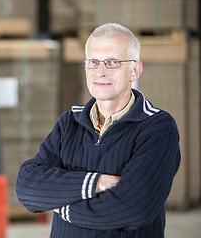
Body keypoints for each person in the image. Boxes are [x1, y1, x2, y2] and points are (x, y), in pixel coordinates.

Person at [15, 23, 181, 238]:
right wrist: (97, 183)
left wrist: (63, 206)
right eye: (93, 62)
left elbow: (135, 208)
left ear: (135, 70)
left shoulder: (157, 127)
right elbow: (27, 187)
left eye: (112, 62)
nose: (100, 72)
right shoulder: (69, 122)